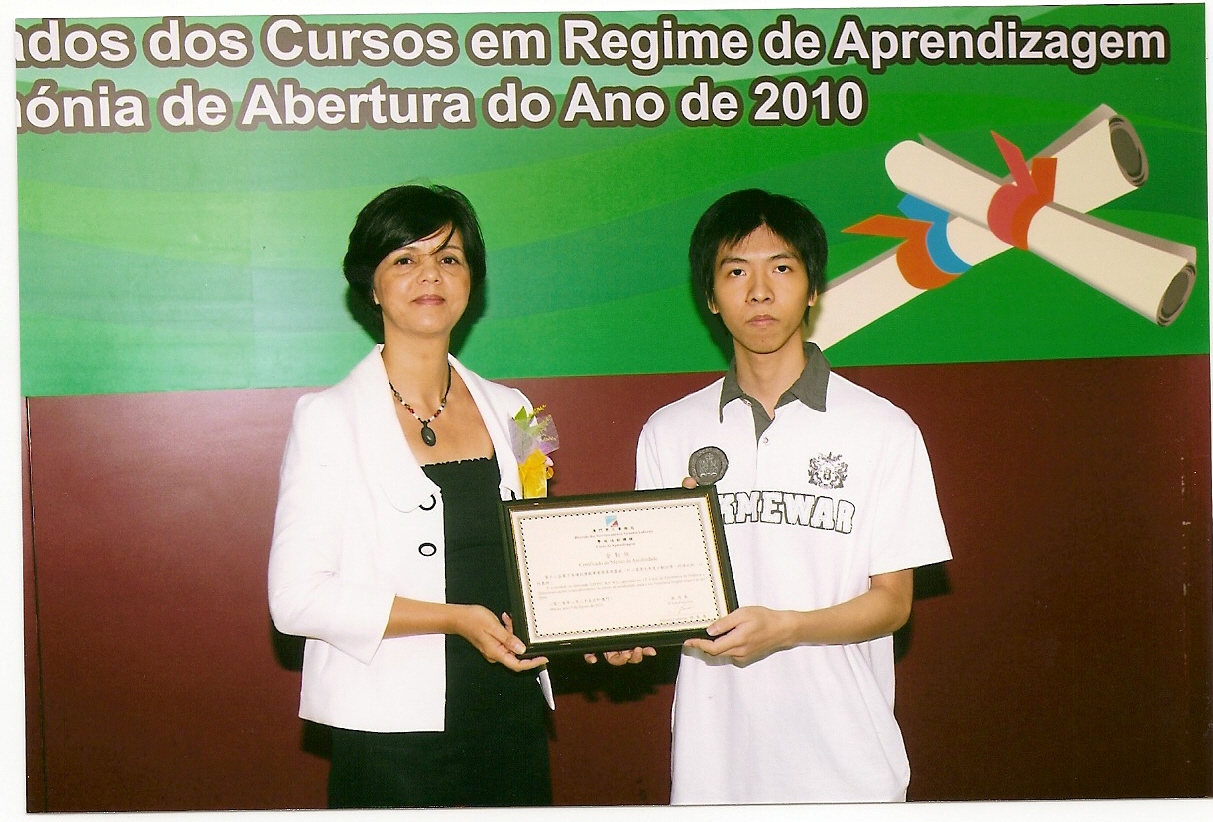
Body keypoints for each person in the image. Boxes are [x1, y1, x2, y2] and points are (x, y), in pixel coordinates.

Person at [632, 188, 951, 804]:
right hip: (714, 769)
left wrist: (788, 628)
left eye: (781, 268)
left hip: (849, 768)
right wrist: (623, 635)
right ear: (709, 297)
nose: (759, 291)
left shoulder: (883, 428)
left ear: (812, 289)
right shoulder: (668, 432)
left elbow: (893, 604)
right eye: (735, 272)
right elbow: (659, 599)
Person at [267, 184, 554, 808]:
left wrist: (608, 624)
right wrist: (453, 618)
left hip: (512, 715)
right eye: (405, 258)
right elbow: (294, 601)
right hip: (390, 736)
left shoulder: (520, 412)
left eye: (449, 258)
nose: (431, 274)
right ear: (371, 286)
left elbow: (545, 554)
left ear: (472, 280)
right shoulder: (326, 418)